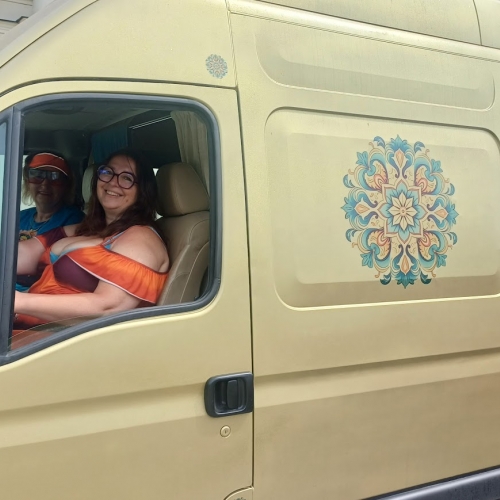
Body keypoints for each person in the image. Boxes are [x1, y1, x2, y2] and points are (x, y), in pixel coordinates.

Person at [14, 149, 169, 335]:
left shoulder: (140, 239)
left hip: (62, 340)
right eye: (108, 172)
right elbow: (22, 255)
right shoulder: (88, 228)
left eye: (127, 178)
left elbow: (108, 308)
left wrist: (18, 301)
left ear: (142, 191)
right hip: (28, 327)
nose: (113, 182)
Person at [17, 152, 85, 291]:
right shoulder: (20, 216)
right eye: (37, 175)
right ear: (27, 180)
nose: (45, 184)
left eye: (55, 177)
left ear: (66, 185)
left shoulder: (74, 220)